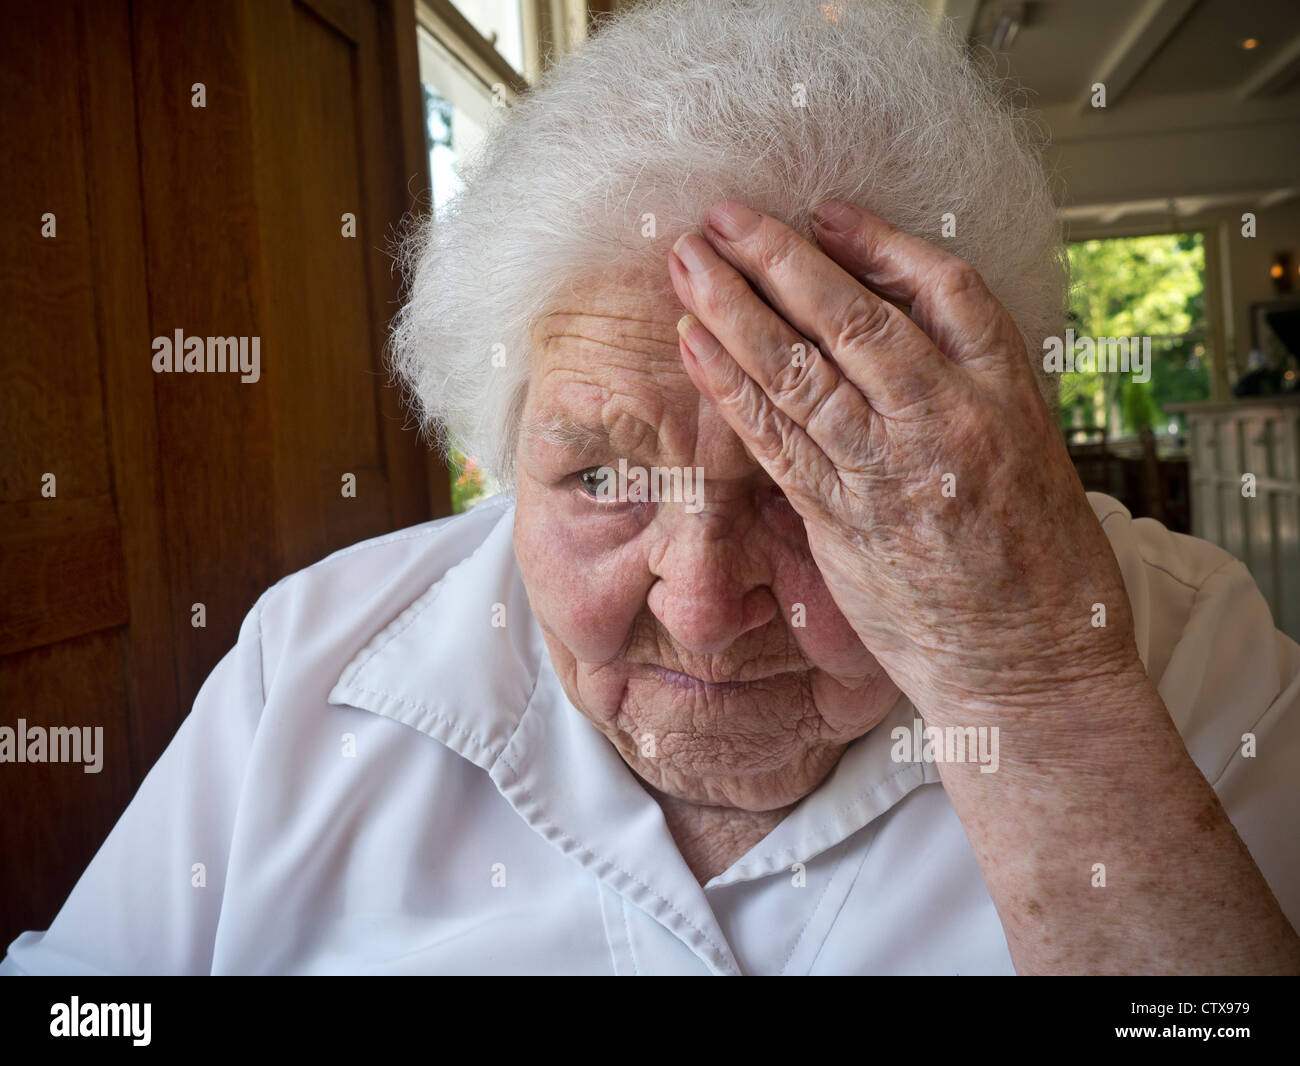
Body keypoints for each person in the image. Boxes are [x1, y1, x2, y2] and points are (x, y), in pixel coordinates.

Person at [4, 0, 1298, 976]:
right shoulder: (314, 656)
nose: (701, 601)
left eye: (812, 484)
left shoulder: (1183, 650)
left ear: (978, 455)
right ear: (497, 448)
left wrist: (1029, 683)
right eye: (603, 474)